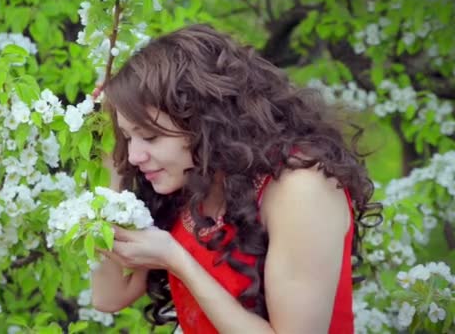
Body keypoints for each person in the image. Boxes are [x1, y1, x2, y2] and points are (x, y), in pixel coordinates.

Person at [91, 24, 379, 334]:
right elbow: (109, 296)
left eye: (149, 136)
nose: (135, 156)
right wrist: (111, 159)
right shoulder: (193, 177)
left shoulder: (301, 189)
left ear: (204, 122)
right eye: (127, 137)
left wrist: (178, 261)